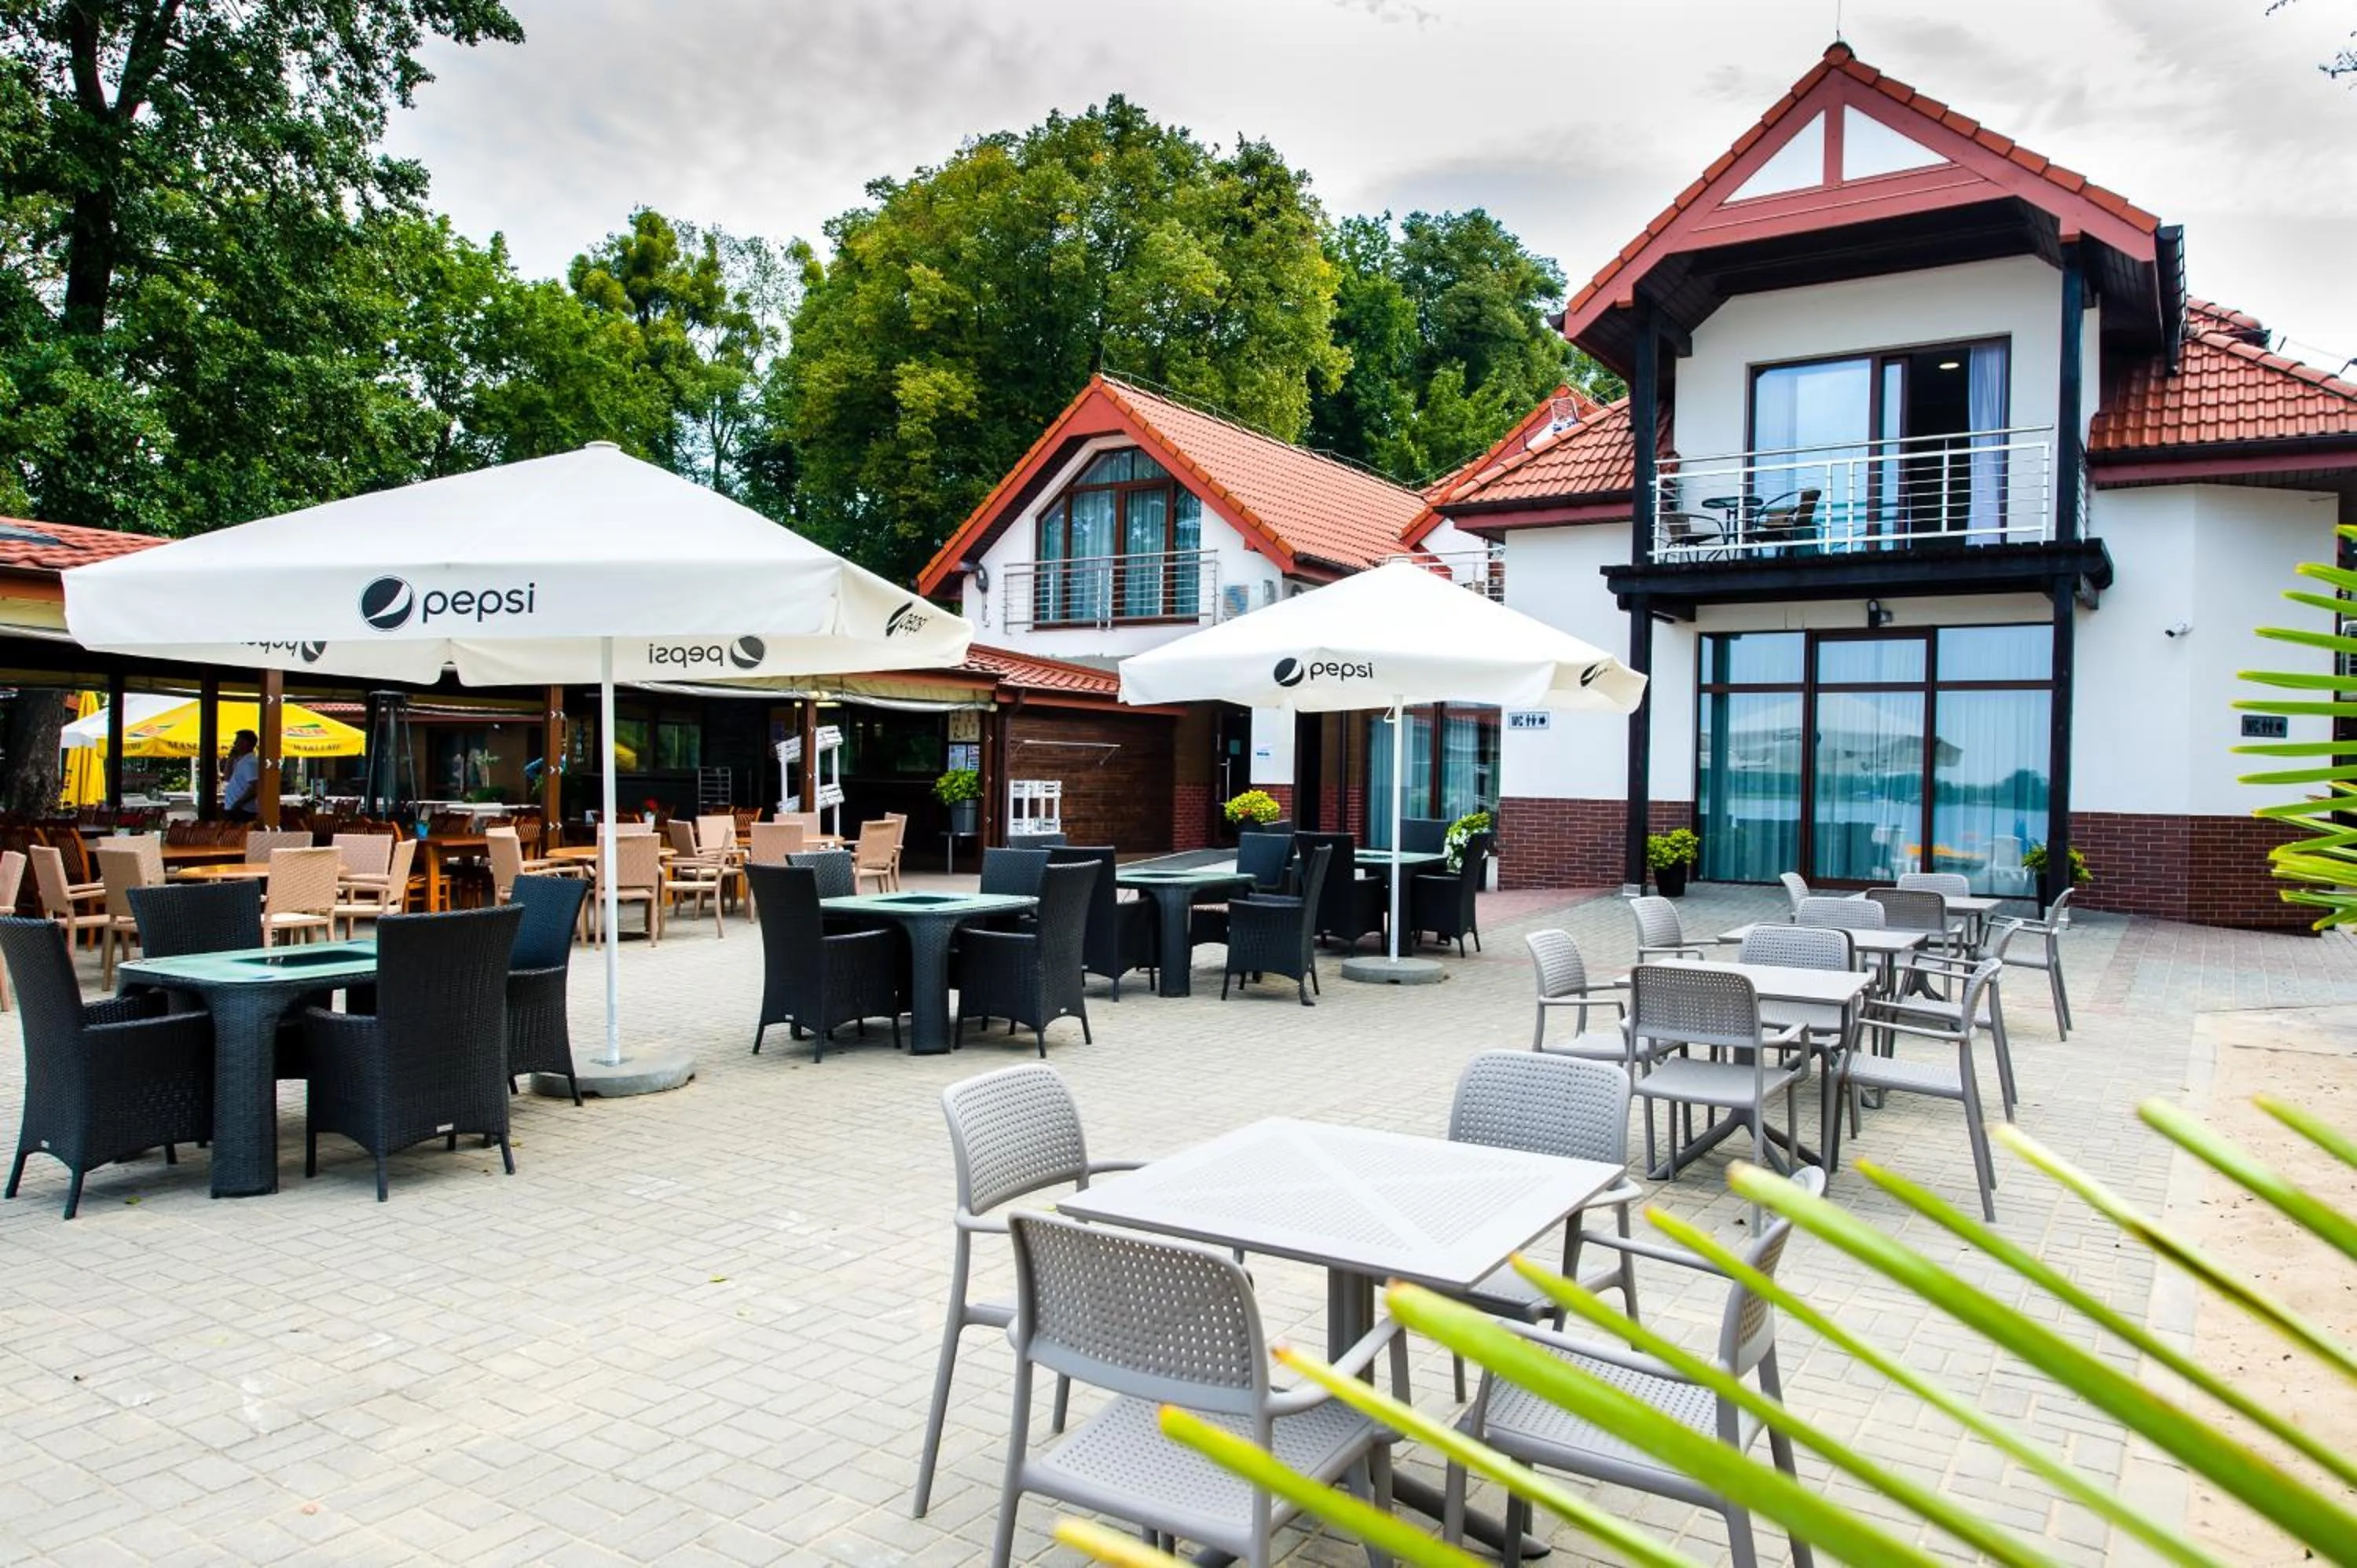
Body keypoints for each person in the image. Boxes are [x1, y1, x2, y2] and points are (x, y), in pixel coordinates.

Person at [222, 731, 261, 821]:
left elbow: (255, 786)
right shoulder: (240, 761)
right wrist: (231, 758)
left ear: (245, 743)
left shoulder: (250, 762)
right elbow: (227, 777)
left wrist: (239, 803)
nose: (234, 743)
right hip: (235, 808)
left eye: (237, 741)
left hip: (243, 810)